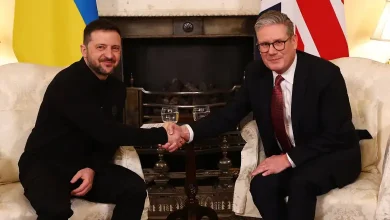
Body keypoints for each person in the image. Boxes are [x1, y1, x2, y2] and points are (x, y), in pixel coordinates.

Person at [164, 10, 361, 220]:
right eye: (264, 45)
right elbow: (229, 114)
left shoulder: (325, 75)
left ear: (294, 41)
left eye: (279, 42)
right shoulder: (256, 73)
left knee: (301, 183)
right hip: (293, 159)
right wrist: (187, 131)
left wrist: (287, 159)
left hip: (333, 155)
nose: (272, 51)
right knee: (261, 184)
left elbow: (335, 135)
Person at [18, 18, 183, 220]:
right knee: (55, 211)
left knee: (134, 189)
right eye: (101, 47)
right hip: (44, 164)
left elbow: (109, 139)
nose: (109, 55)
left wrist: (92, 168)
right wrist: (163, 134)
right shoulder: (68, 83)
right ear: (84, 50)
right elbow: (106, 130)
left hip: (84, 165)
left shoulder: (116, 88)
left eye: (115, 48)